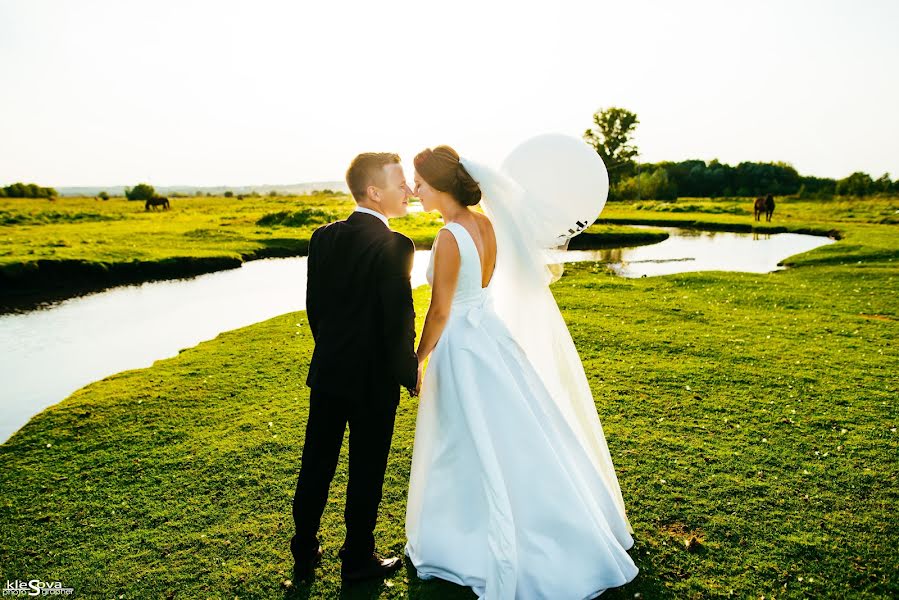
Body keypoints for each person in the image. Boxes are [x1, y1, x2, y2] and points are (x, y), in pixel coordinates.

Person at [405, 145, 639, 599]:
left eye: (419, 184)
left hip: (461, 345)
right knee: (515, 429)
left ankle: (469, 532)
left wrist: (417, 359)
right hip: (490, 335)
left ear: (439, 186)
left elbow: (439, 311)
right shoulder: (488, 225)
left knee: (461, 438)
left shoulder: (450, 237)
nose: (415, 191)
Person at [291, 152, 420, 583]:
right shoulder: (396, 244)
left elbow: (315, 308)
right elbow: (399, 319)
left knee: (317, 463)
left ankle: (304, 550)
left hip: (327, 371)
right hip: (373, 380)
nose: (407, 190)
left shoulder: (322, 237)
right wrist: (409, 371)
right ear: (374, 192)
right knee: (366, 468)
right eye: (399, 182)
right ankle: (358, 558)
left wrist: (329, 348)